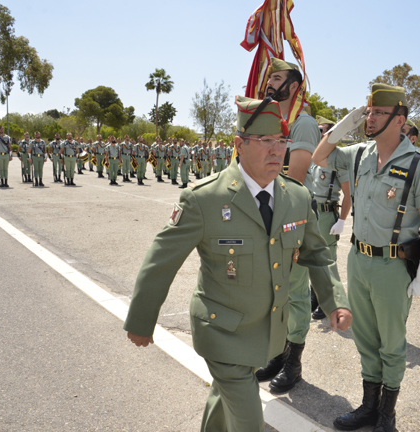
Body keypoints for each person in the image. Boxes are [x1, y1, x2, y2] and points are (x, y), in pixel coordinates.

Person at [124, 95, 352, 432]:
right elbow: (161, 260)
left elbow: (317, 254)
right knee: (248, 421)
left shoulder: (297, 197)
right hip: (221, 334)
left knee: (223, 402)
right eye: (265, 140)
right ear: (239, 144)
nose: (276, 150)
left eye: (281, 141)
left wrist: (335, 301)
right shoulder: (205, 198)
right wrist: (142, 319)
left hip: (265, 332)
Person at [313, 83, 420, 431]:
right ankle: (369, 406)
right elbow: (319, 157)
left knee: (391, 343)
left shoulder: (418, 163)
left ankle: (387, 413)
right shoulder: (358, 154)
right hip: (359, 259)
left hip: (392, 265)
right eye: (368, 112)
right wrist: (344, 126)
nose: (370, 118)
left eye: (379, 113)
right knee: (365, 338)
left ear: (400, 119)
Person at [254, 57, 322, 393]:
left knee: (294, 293)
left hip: (291, 218)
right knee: (274, 292)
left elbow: (294, 179)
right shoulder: (269, 120)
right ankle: (278, 354)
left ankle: (293, 363)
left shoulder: (303, 124)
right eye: (269, 78)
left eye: (277, 78)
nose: (269, 83)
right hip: (267, 213)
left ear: (293, 86)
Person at [308, 115, 352, 320]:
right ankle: (315, 296)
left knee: (328, 260)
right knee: (312, 256)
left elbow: (348, 194)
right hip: (311, 211)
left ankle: (331, 302)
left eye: (321, 130)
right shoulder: (314, 158)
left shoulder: (337, 160)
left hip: (326, 214)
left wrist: (342, 220)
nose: (318, 133)